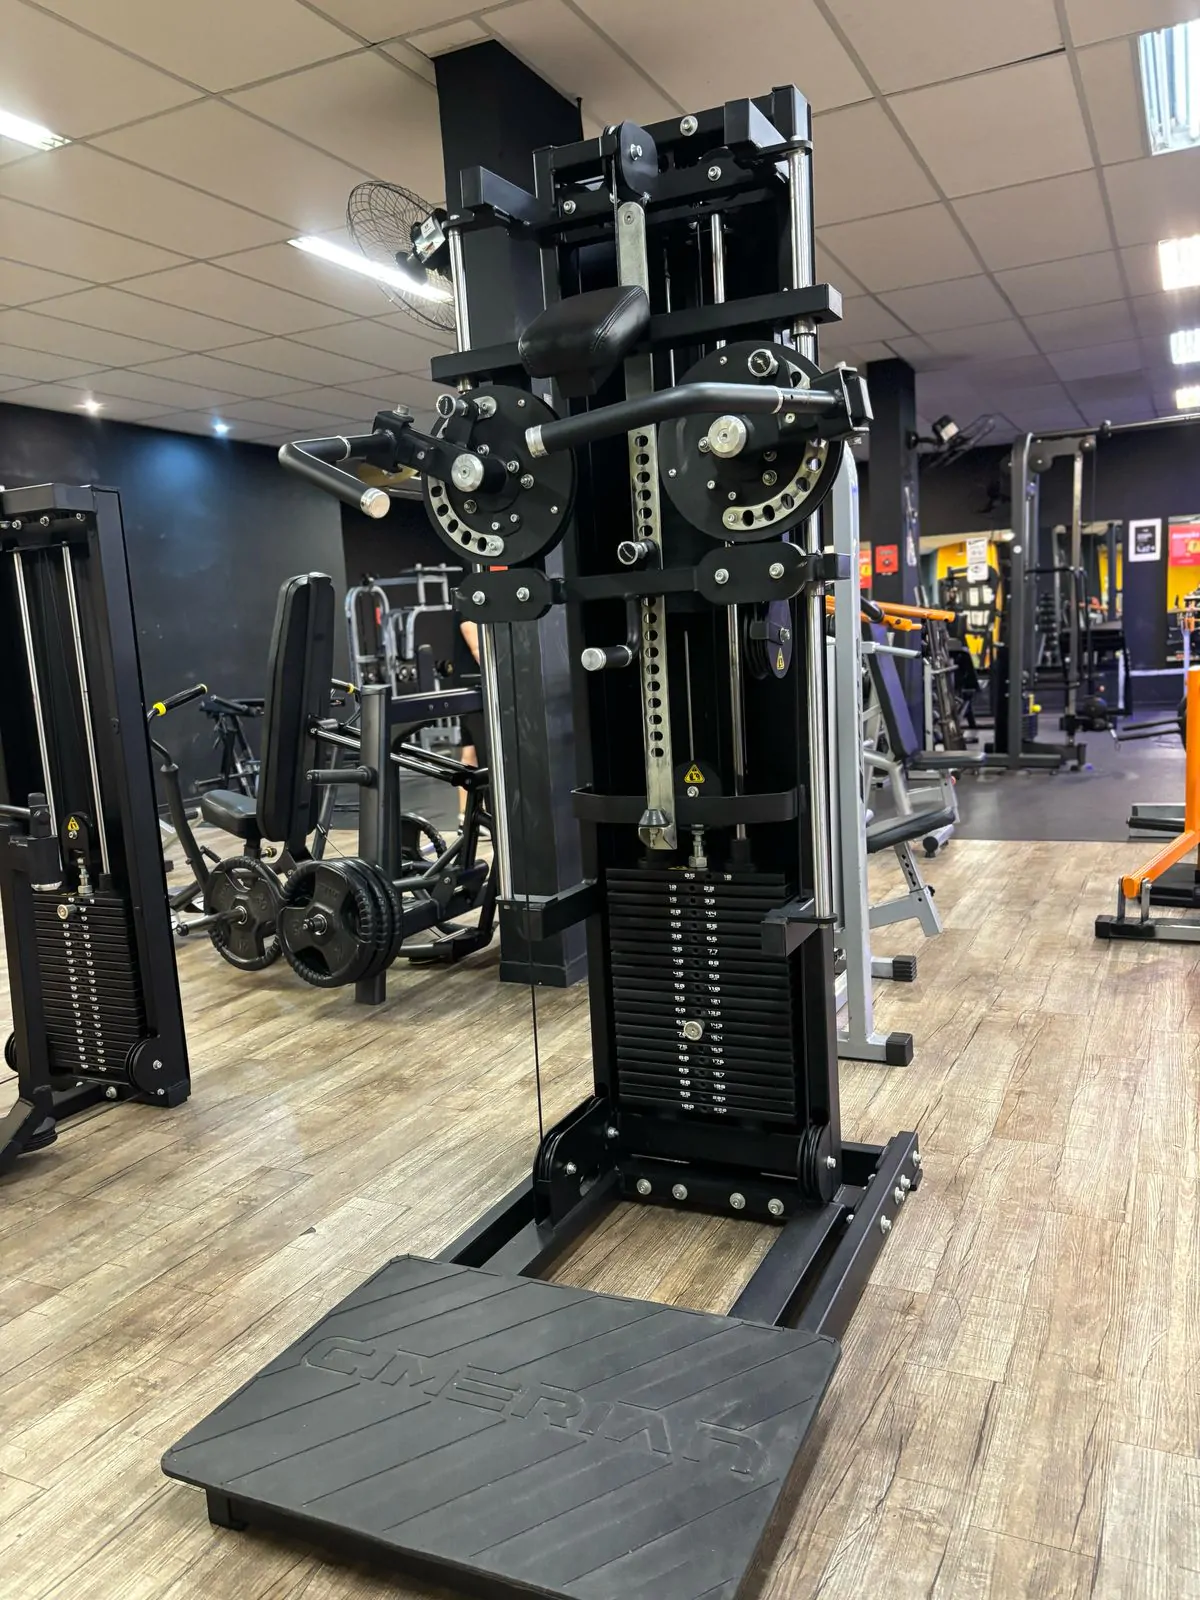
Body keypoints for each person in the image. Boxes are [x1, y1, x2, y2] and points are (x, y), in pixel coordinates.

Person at [453, 617, 487, 823]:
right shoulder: (468, 605)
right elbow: (477, 649)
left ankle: (466, 818)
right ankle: (490, 816)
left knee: (470, 753)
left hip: (473, 687)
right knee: (486, 754)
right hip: (475, 689)